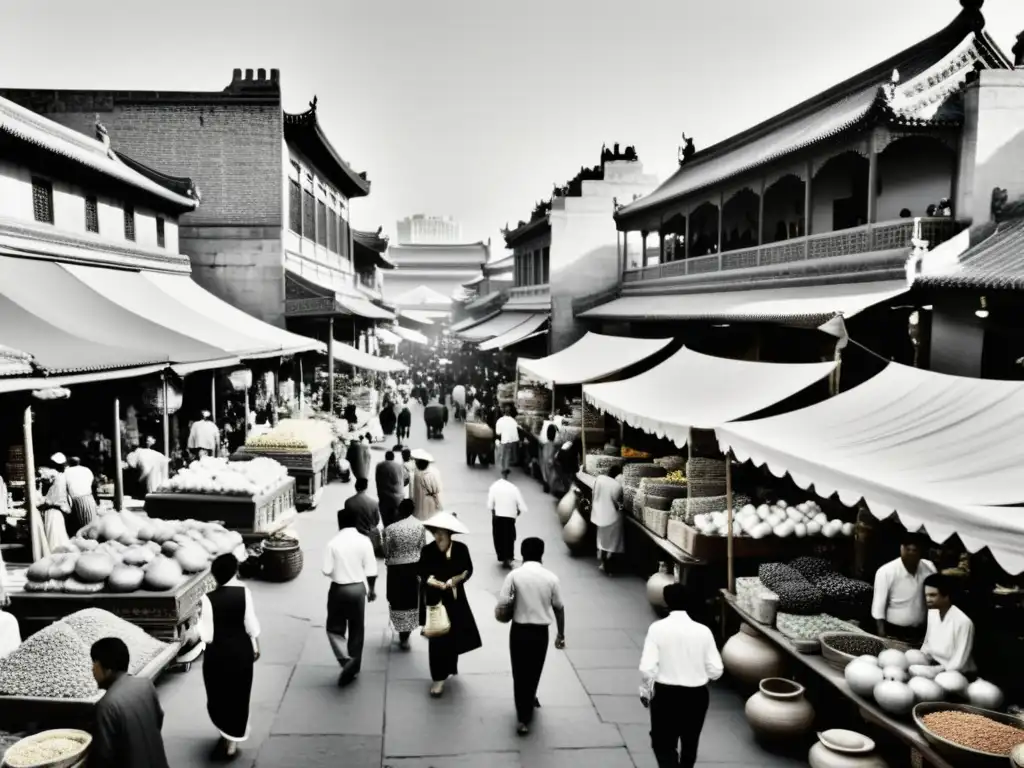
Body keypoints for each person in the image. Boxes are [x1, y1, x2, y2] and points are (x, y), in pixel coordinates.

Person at [639, 583, 723, 768]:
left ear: (666, 602)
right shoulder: (703, 631)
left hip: (666, 694)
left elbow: (647, 667)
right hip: (696, 695)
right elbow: (716, 670)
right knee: (690, 742)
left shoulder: (657, 629)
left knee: (662, 742)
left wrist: (645, 691)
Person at [496, 537, 566, 735]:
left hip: (518, 631)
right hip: (540, 633)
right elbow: (559, 608)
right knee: (534, 670)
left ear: (522, 553)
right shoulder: (551, 578)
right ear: (541, 554)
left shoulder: (514, 576)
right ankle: (530, 699)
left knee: (519, 672)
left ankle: (522, 717)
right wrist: (560, 635)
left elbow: (502, 602)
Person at [198, 553, 262, 760]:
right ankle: (232, 741)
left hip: (217, 654)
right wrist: (256, 645)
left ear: (214, 576)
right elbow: (250, 624)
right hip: (241, 652)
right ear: (235, 571)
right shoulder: (245, 593)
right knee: (239, 695)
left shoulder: (207, 599)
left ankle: (225, 733)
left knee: (219, 694)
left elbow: (206, 636)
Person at [418, 512, 482, 698]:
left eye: (442, 533)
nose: (438, 537)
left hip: (455, 601)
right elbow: (423, 574)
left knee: (454, 635)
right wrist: (437, 583)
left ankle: (450, 666)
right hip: (436, 601)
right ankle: (438, 679)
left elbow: (468, 570)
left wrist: (457, 579)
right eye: (436, 532)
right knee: (437, 640)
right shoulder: (428, 551)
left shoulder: (461, 549)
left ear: (449, 534)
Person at [90, 637, 171, 768]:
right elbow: (159, 719)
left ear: (108, 668)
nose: (92, 670)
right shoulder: (146, 685)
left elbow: (103, 756)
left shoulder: (106, 706)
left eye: (94, 663)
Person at [322, 507, 378, 686]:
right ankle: (355, 665)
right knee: (357, 629)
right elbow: (371, 570)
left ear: (340, 523)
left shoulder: (333, 543)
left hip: (339, 589)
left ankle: (345, 660)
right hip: (358, 590)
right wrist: (371, 590)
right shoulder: (364, 541)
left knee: (334, 628)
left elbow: (326, 570)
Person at [871, 534, 937, 643]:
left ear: (921, 552)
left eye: (914, 550)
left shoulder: (929, 568)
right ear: (901, 548)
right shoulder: (886, 572)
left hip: (919, 632)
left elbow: (934, 603)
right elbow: (878, 609)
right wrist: (882, 636)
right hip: (894, 632)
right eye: (908, 549)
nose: (911, 553)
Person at [383, 499, 425, 650]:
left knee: (397, 600)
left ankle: (401, 631)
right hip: (413, 568)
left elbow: (386, 551)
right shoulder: (420, 527)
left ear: (400, 511)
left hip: (396, 569)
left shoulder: (390, 529)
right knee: (410, 601)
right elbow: (423, 548)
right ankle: (406, 635)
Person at [920, 573, 976, 674]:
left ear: (946, 596)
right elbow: (927, 645)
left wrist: (938, 672)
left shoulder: (963, 622)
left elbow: (959, 662)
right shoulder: (932, 613)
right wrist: (921, 660)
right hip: (935, 666)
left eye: (932, 595)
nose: (928, 600)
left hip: (957, 673)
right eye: (926, 595)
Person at [488, 469, 527, 569]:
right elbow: (520, 503)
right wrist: (518, 511)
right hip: (509, 516)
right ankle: (508, 557)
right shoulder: (513, 488)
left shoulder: (495, 486)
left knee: (498, 537)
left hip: (498, 516)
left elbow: (490, 503)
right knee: (510, 537)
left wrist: (493, 511)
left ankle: (502, 556)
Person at [591, 465, 625, 574]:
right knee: (613, 542)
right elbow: (616, 502)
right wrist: (621, 506)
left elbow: (594, 494)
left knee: (602, 540)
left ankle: (602, 559)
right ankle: (609, 565)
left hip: (599, 514)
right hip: (612, 518)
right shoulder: (617, 485)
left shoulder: (599, 479)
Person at [344, 478, 383, 556]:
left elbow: (346, 522)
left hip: (353, 538)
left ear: (355, 486)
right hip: (368, 538)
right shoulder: (374, 503)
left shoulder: (348, 502)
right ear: (366, 487)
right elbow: (376, 521)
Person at [40, 454, 70, 551]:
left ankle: (54, 551)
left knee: (52, 531)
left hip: (52, 507)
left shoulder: (53, 473)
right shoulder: (63, 476)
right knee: (59, 531)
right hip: (60, 508)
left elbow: (43, 475)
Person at [64, 456, 97, 535]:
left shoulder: (66, 471)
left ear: (69, 463)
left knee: (79, 527)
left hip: (76, 500)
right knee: (90, 524)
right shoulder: (86, 470)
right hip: (89, 498)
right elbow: (93, 483)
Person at [375, 450, 407, 528]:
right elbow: (406, 479)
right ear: (393, 457)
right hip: (398, 499)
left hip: (384, 498)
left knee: (387, 524)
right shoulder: (400, 466)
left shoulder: (379, 466)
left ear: (385, 457)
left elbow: (377, 480)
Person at [411, 449, 443, 521]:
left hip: (419, 505)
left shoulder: (416, 474)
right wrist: (439, 506)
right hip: (429, 504)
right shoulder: (430, 475)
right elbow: (436, 493)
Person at [495, 406, 520, 473]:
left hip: (503, 441)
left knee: (503, 455)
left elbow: (498, 432)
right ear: (510, 412)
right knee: (508, 455)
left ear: (504, 412)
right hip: (510, 441)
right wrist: (516, 440)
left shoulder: (500, 420)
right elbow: (515, 432)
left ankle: (504, 468)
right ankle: (506, 468)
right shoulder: (513, 421)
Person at [539, 423, 559, 494]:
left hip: (545, 460)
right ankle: (549, 484)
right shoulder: (555, 446)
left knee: (545, 469)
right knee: (551, 471)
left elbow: (542, 457)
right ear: (554, 435)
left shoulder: (545, 445)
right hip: (550, 460)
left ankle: (546, 481)